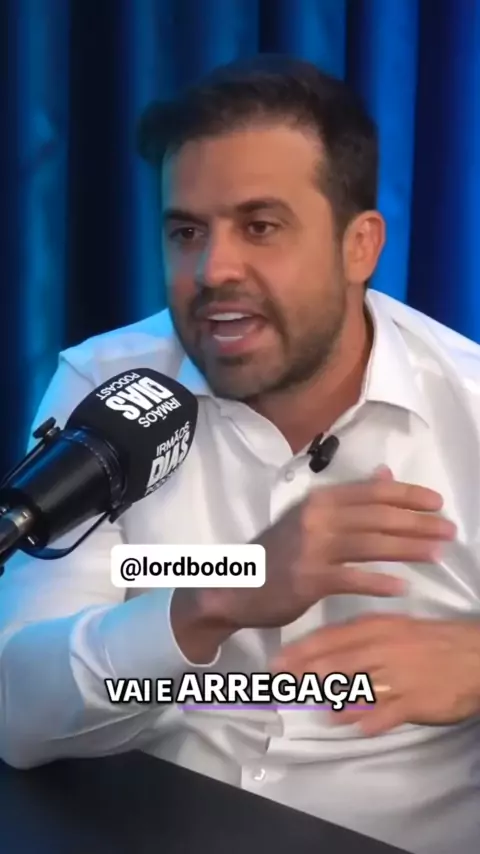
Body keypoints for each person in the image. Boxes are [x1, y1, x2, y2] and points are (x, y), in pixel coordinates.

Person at [0, 54, 479, 854]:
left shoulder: (470, 408)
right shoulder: (109, 391)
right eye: (186, 232)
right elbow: (18, 712)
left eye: (260, 227)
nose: (212, 270)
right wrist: (219, 592)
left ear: (359, 246)